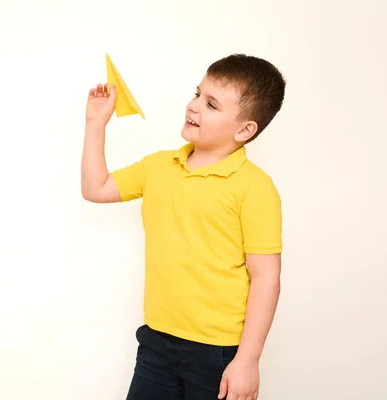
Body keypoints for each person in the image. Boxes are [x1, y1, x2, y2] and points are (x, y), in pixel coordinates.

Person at [81, 53, 286, 400]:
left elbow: (266, 277)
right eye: (197, 94)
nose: (193, 107)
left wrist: (247, 359)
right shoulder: (159, 166)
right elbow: (95, 188)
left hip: (218, 352)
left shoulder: (254, 187)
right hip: (156, 341)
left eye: (211, 104)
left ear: (244, 129)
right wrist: (95, 124)